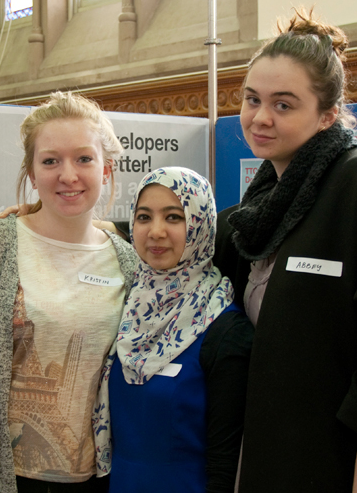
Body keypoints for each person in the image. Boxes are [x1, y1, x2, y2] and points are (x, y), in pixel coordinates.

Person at [213, 8, 357, 492]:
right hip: (259, 459)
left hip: (336, 468)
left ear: (327, 114)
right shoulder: (256, 209)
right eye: (252, 99)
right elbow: (167, 249)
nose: (259, 118)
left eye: (284, 105)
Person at [0, 91, 139, 493]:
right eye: (50, 160)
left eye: (83, 158)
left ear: (107, 169)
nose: (68, 175)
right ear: (31, 171)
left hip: (99, 479)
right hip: (1, 478)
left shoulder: (128, 263)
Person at [94, 167, 253, 493]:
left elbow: (227, 464)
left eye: (174, 217)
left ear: (200, 225)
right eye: (143, 217)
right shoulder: (125, 308)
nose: (155, 231)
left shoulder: (225, 330)